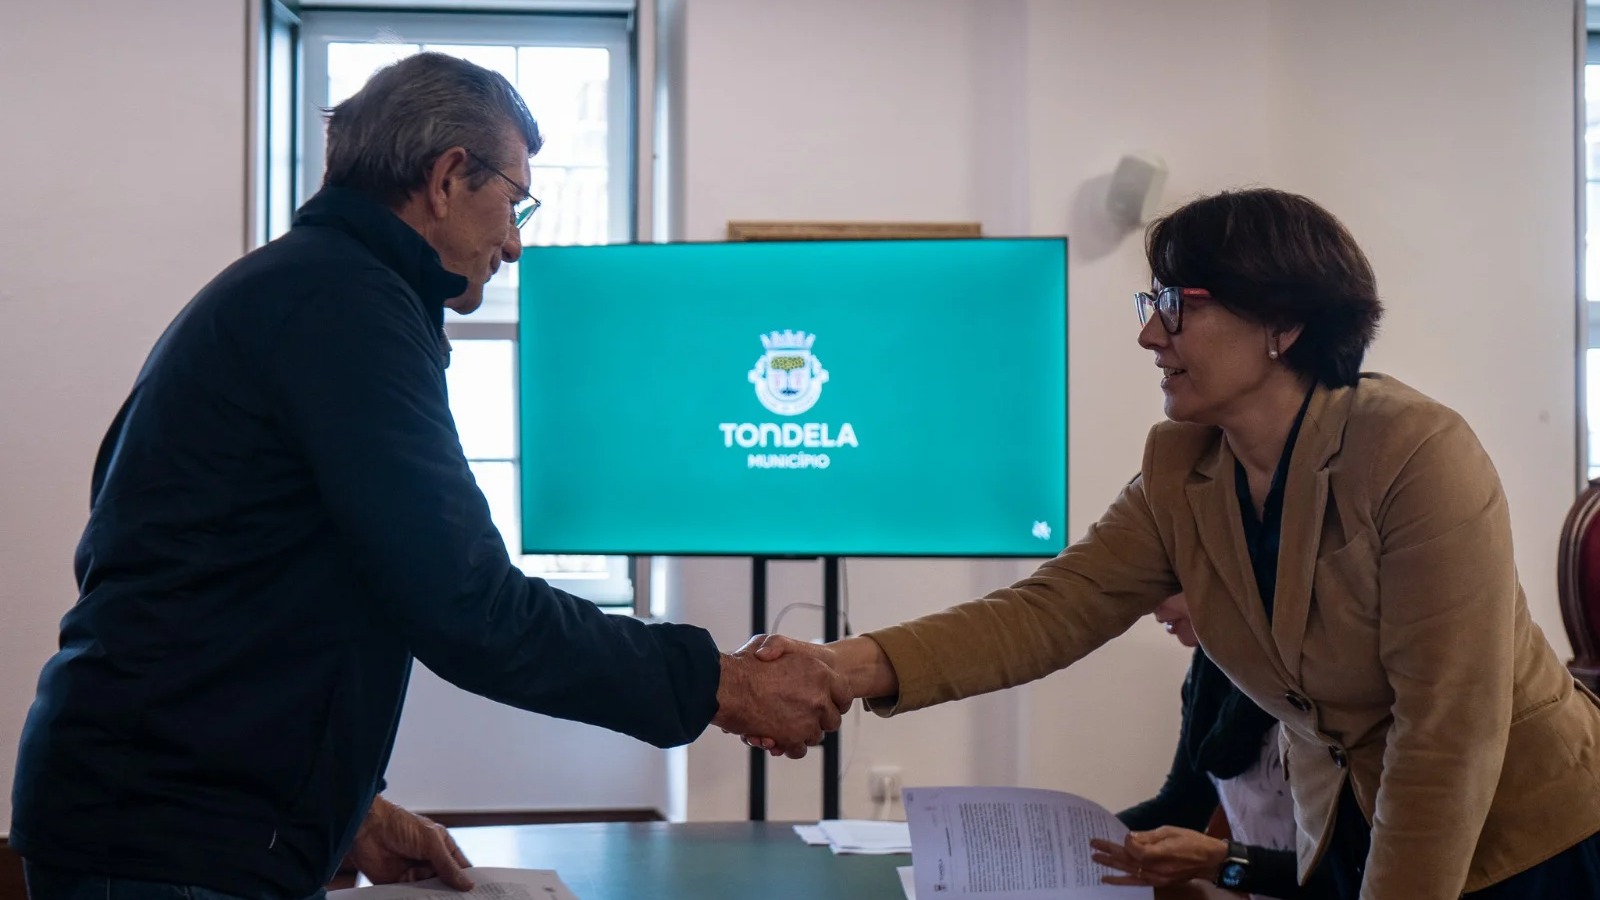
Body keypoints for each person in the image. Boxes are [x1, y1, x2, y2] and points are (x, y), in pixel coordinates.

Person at [10, 52, 847, 900]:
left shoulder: (305, 288)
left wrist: (350, 809)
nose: (514, 244)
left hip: (162, 817)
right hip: (165, 838)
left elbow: (237, 581)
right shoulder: (344, 306)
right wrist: (718, 682)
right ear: (446, 179)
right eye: (514, 204)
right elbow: (467, 604)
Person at [742, 188, 1600, 899]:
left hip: (1527, 836)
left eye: (1176, 307)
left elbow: (1446, 727)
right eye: (1151, 306)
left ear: (1282, 322)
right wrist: (836, 667)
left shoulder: (1413, 451)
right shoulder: (1182, 467)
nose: (1150, 334)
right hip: (1348, 831)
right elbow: (1047, 612)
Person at [1089, 593, 1334, 899]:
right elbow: (1183, 804)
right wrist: (1073, 840)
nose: (1150, 603)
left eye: (1170, 578)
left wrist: (1223, 863)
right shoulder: (1206, 674)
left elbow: (1354, 869)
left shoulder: (1327, 674)